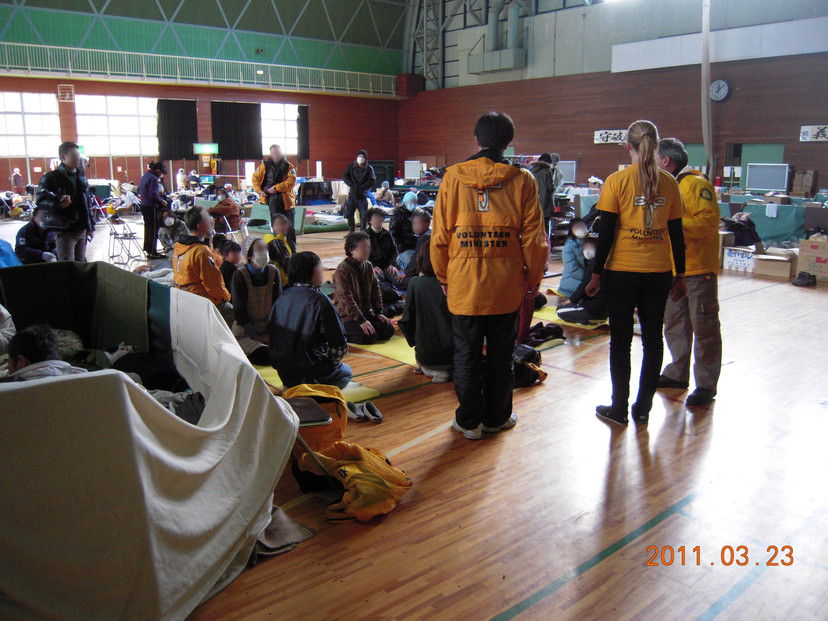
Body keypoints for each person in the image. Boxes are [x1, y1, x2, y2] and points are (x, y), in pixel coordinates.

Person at [431, 112, 548, 440]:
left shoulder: (452, 177)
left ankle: (468, 423)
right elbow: (536, 240)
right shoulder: (523, 179)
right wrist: (533, 279)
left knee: (465, 355)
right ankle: (498, 417)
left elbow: (439, 235)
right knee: (501, 355)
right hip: (505, 285)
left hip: (464, 284)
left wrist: (442, 276)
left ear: (476, 139)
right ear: (508, 143)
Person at [586, 120, 687, 426]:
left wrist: (595, 274)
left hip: (622, 272)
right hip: (658, 272)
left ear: (628, 146)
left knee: (620, 341)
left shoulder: (617, 181)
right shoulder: (669, 182)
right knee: (653, 340)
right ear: (656, 147)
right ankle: (643, 409)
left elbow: (604, 234)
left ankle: (619, 409)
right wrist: (680, 274)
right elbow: (676, 234)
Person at [655, 137, 722, 407]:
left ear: (666, 161)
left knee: (704, 328)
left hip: (697, 270)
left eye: (655, 159)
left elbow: (708, 221)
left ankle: (705, 384)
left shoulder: (696, 184)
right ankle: (677, 374)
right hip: (672, 270)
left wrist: (673, 224)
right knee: (674, 324)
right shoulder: (669, 187)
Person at [268, 252, 352, 389]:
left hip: (283, 372)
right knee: (346, 371)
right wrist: (330, 362)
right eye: (320, 266)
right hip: (309, 369)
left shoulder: (282, 298)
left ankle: (295, 386)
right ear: (312, 271)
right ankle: (312, 388)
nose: (323, 270)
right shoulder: (320, 300)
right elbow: (339, 346)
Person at [399, 244, 454, 383]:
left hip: (428, 354)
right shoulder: (456, 282)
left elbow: (406, 321)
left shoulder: (416, 283)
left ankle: (429, 368)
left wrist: (417, 342)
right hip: (459, 354)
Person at [172, 206, 234, 326]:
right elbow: (213, 283)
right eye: (208, 219)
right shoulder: (201, 251)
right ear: (200, 226)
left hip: (182, 294)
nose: (212, 221)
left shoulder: (179, 246)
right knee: (232, 313)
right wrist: (226, 297)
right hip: (198, 298)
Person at [36, 141, 96, 262]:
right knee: (67, 266)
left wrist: (90, 226)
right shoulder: (50, 178)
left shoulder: (81, 177)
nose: (78, 159)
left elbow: (87, 204)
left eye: (78, 156)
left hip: (81, 229)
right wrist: (59, 205)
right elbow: (41, 202)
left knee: (81, 265)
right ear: (63, 157)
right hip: (65, 230)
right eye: (74, 156)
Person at [332, 231, 395, 345]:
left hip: (366, 312)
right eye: (363, 247)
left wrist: (379, 312)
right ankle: (342, 331)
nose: (367, 250)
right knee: (368, 337)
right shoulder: (342, 270)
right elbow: (346, 299)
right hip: (348, 316)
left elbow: (376, 290)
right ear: (352, 250)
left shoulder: (368, 265)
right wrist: (360, 320)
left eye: (368, 247)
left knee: (388, 329)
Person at [230, 237, 282, 366]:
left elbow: (278, 305)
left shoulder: (273, 271)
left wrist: (273, 333)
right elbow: (239, 312)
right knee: (267, 355)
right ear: (250, 256)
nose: (265, 252)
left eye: (265, 248)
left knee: (293, 346)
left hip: (268, 328)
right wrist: (258, 337)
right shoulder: (240, 275)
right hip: (246, 332)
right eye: (260, 250)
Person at [0, 324, 86, 383]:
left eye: (9, 364)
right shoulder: (86, 377)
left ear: (21, 361)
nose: (9, 370)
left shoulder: (7, 388)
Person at [252, 144, 297, 245]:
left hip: (287, 201)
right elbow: (255, 179)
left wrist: (276, 188)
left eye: (278, 152)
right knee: (276, 225)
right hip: (272, 200)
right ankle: (277, 247)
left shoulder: (288, 166)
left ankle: (292, 249)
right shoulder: (264, 166)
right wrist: (259, 191)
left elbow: (291, 181)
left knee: (290, 227)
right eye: (274, 152)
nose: (276, 154)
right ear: (271, 154)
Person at [556, 237, 608, 325]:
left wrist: (572, 300)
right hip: (606, 308)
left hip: (594, 308)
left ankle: (588, 318)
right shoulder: (607, 263)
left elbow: (584, 286)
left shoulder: (593, 265)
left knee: (560, 310)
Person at [395, 210, 432, 290]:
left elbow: (417, 260)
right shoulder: (425, 235)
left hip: (429, 277)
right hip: (427, 274)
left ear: (427, 224)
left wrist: (406, 273)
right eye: (413, 223)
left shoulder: (426, 237)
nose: (415, 226)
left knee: (398, 281)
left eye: (418, 223)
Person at [138, 161, 168, 259]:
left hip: (144, 205)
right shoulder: (153, 178)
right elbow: (153, 195)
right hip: (151, 206)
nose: (161, 175)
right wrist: (162, 201)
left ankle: (149, 250)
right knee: (154, 229)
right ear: (158, 170)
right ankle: (153, 252)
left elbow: (140, 190)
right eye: (161, 173)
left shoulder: (145, 176)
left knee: (148, 228)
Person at [342, 149, 376, 233]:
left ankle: (363, 231)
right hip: (352, 194)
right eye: (359, 156)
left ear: (365, 159)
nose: (360, 158)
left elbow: (372, 181)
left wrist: (362, 187)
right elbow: (345, 177)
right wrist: (353, 185)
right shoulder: (350, 167)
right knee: (349, 213)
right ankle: (351, 230)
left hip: (362, 195)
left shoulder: (369, 169)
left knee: (363, 215)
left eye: (362, 157)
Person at [529, 153, 561, 233]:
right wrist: (554, 189)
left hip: (533, 204)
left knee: (534, 228)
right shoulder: (547, 172)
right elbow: (550, 187)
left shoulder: (531, 171)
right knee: (545, 228)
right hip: (545, 204)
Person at [365, 207, 398, 282]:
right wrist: (373, 266)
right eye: (376, 217)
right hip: (373, 266)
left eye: (380, 217)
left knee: (397, 279)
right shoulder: (365, 236)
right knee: (378, 279)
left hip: (387, 266)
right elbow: (363, 256)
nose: (379, 219)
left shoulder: (387, 234)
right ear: (370, 221)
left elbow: (394, 251)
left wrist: (393, 264)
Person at [263, 213, 296, 288]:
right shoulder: (277, 242)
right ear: (273, 227)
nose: (282, 227)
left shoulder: (271, 238)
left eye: (284, 224)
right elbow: (285, 263)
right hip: (281, 281)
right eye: (279, 225)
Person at [558, 218, 588, 297]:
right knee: (589, 289)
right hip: (572, 280)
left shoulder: (590, 241)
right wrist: (587, 279)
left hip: (586, 278)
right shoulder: (569, 247)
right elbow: (573, 269)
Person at [390, 191, 419, 267]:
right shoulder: (398, 215)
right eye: (410, 202)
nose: (413, 204)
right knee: (412, 265)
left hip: (416, 245)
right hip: (404, 248)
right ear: (405, 202)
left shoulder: (417, 214)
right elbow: (393, 233)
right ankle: (399, 261)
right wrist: (400, 247)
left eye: (414, 202)